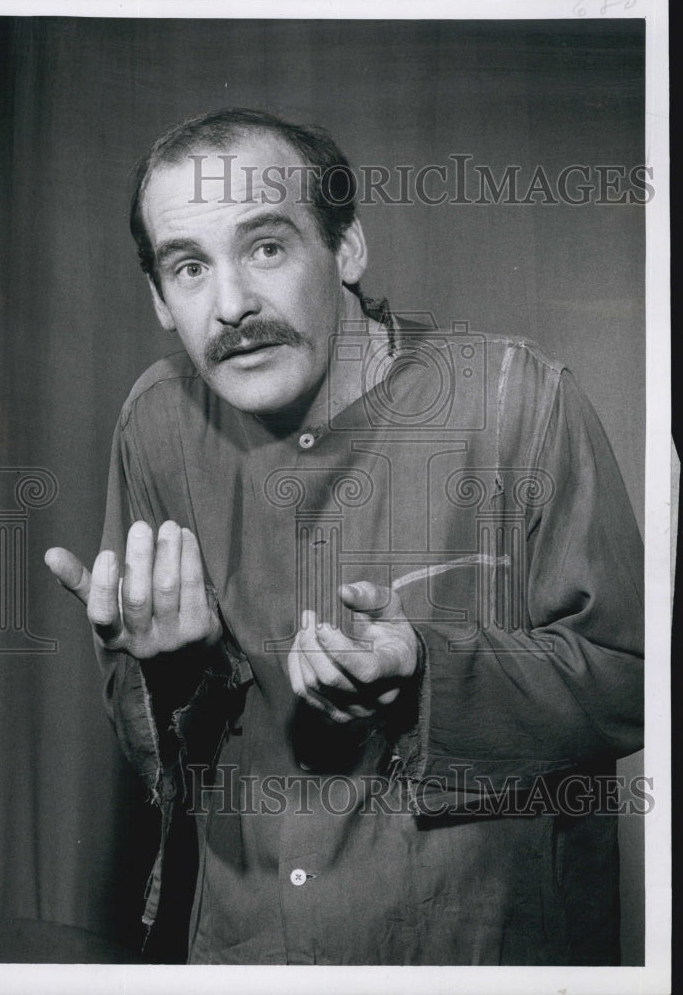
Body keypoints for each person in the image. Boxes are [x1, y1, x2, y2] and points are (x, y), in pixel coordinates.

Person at [45, 108, 643, 966]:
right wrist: (172, 669)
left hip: (476, 948)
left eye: (267, 247)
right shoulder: (155, 425)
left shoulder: (520, 400)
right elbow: (161, 740)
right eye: (188, 266)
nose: (231, 305)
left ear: (347, 250)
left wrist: (428, 673)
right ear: (159, 301)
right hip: (249, 947)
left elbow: (631, 678)